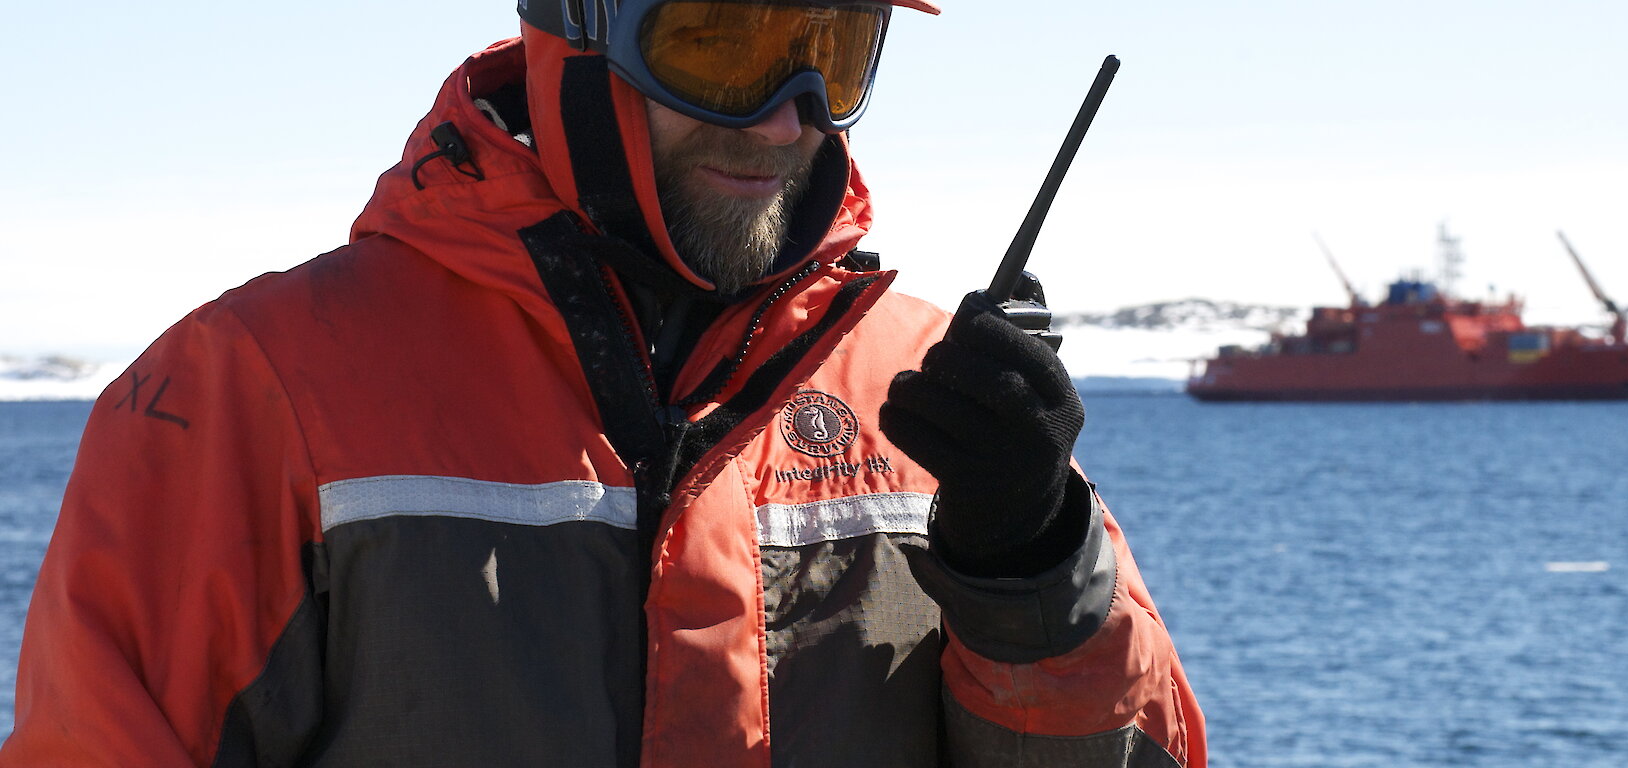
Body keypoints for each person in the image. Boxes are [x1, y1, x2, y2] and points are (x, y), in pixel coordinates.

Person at [1, 1, 1206, 765]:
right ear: (571, 30)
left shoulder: (937, 402)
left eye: (828, 52)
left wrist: (1033, 571)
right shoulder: (248, 396)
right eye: (723, 46)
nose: (787, 121)